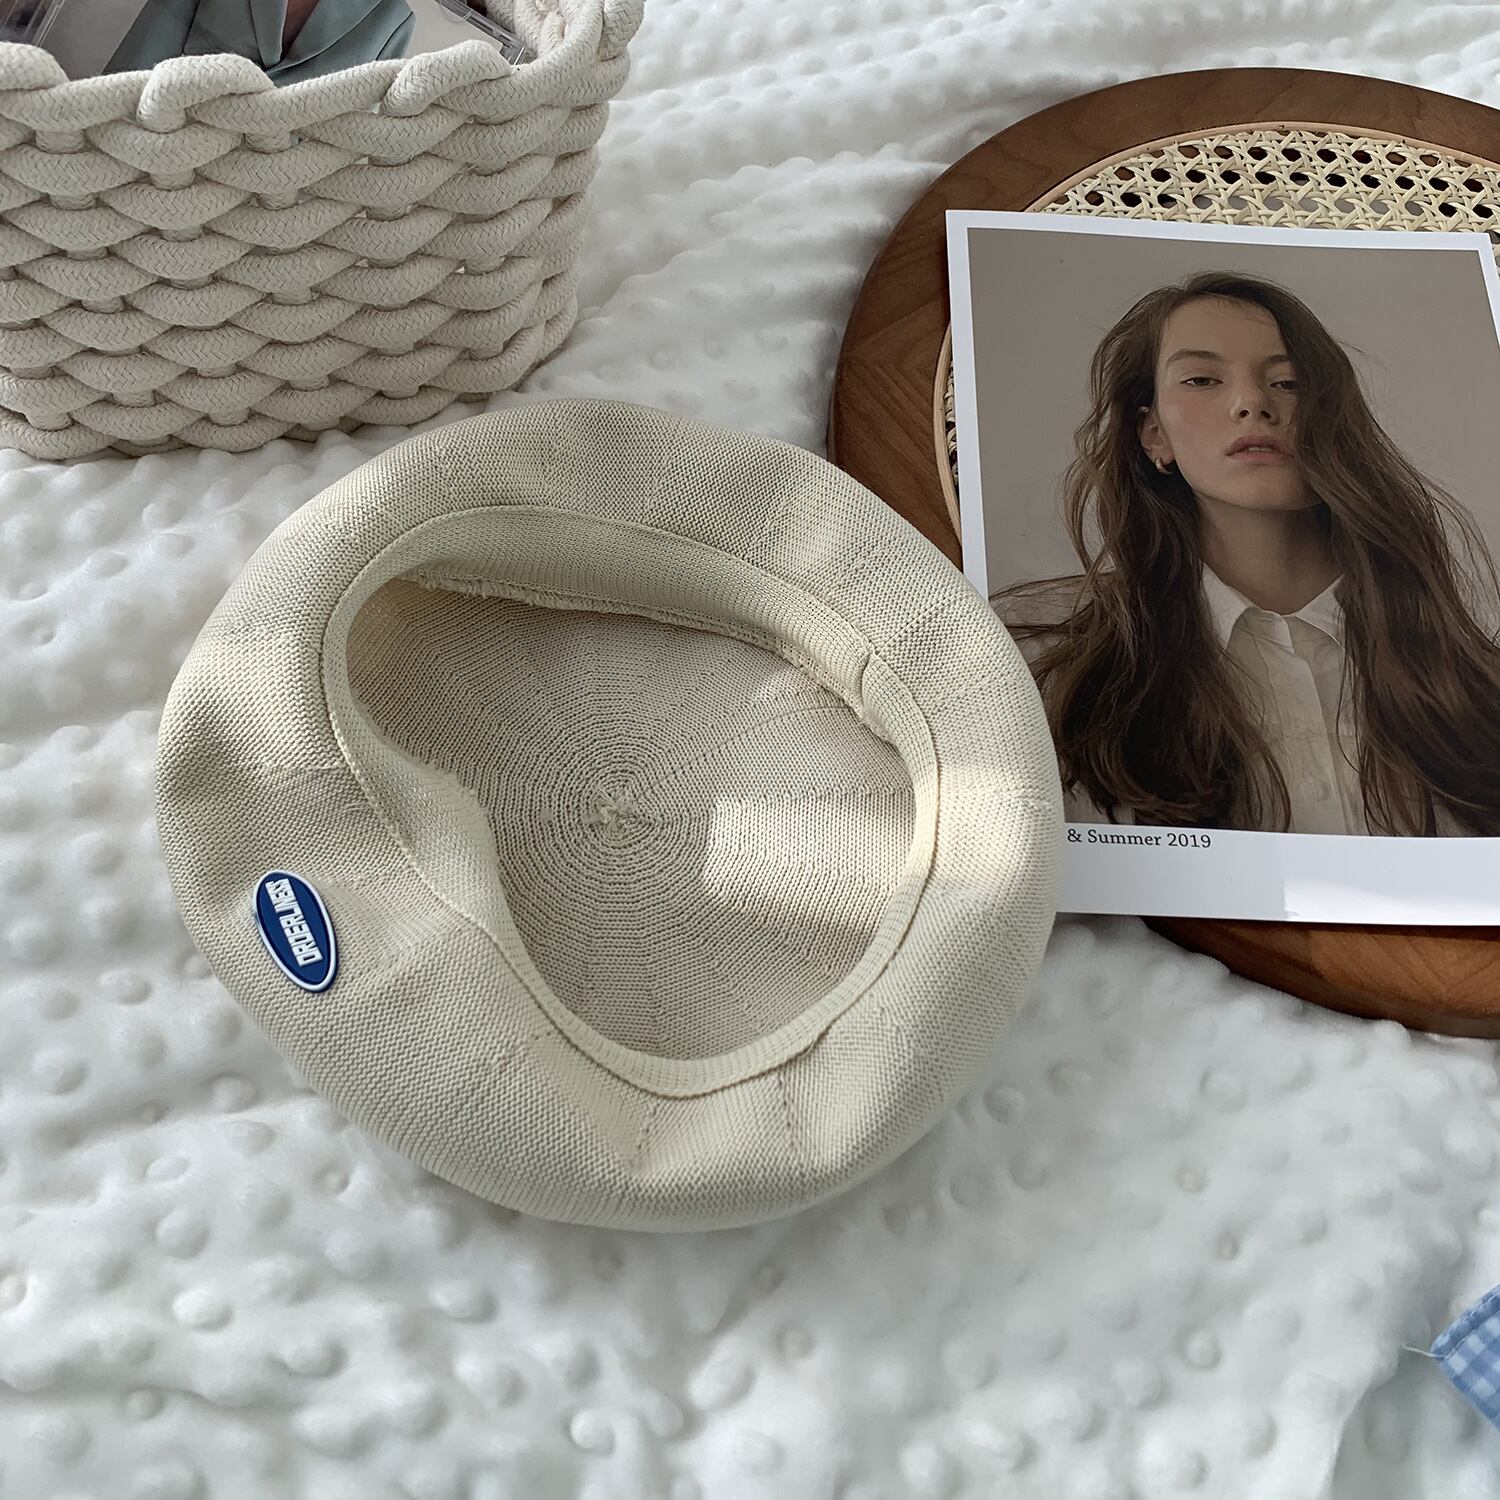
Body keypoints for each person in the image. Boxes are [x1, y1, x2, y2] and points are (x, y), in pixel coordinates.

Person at [993, 270, 1500, 836]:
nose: (1253, 402)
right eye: (1202, 379)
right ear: (1153, 434)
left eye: (1288, 382)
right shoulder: (1043, 661)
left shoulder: (1469, 675)